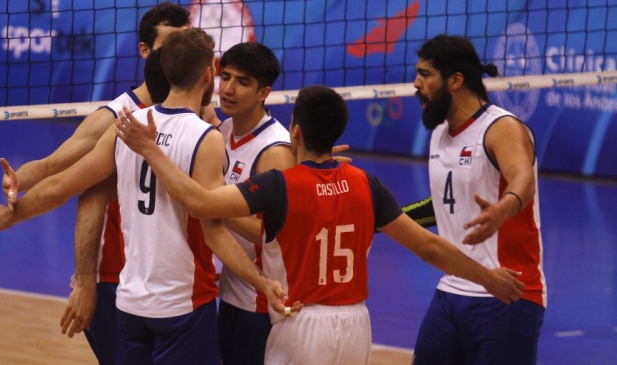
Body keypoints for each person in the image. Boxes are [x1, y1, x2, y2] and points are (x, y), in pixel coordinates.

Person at [112, 84, 525, 364]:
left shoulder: (278, 186)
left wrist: (151, 150)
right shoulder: (367, 183)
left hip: (300, 323)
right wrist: (487, 279)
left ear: (294, 130)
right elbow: (429, 247)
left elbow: (199, 202)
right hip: (355, 325)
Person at [0, 28, 293, 364]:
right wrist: (261, 281)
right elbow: (213, 230)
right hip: (183, 303)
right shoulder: (207, 138)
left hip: (130, 302)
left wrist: (11, 214)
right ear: (209, 75)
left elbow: (65, 184)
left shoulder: (125, 126)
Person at [0, 4, 209, 364]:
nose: (179, 53)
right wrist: (19, 180)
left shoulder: (199, 112)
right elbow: (60, 171)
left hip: (177, 286)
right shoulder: (115, 118)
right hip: (120, 281)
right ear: (146, 51)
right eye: (171, 44)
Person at [410, 34, 546, 364]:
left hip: (508, 293)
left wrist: (503, 208)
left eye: (425, 75)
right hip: (453, 289)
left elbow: (522, 179)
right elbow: (445, 204)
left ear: (456, 80)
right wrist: (378, 218)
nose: (415, 84)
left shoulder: (502, 128)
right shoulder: (440, 132)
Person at [213, 42, 294, 365]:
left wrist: (213, 205)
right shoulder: (223, 129)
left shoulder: (275, 151)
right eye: (226, 77)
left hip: (262, 302)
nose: (229, 89)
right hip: (232, 289)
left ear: (264, 93)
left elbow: (278, 234)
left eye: (242, 82)